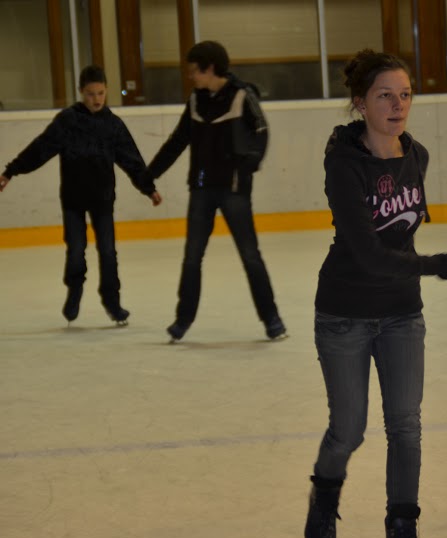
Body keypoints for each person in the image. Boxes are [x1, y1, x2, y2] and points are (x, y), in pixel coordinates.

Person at [303, 49, 447, 538]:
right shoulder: (343, 164)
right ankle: (325, 493)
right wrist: (437, 265)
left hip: (401, 314)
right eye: (385, 95)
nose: (398, 105)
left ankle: (403, 533)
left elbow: (403, 231)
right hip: (344, 314)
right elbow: (371, 252)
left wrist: (419, 271)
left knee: (406, 428)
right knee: (347, 432)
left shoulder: (415, 154)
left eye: (405, 94)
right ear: (360, 103)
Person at [146, 41, 286, 342]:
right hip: (201, 188)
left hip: (234, 190)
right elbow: (178, 140)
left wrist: (250, 163)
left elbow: (261, 131)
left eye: (194, 71)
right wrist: (149, 175)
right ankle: (182, 321)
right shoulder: (196, 101)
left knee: (250, 255)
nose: (191, 77)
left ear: (209, 69)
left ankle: (272, 320)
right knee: (192, 257)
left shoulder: (241, 95)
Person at [0, 65, 161, 325]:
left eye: (100, 93)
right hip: (73, 200)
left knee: (108, 252)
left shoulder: (112, 125)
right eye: (89, 94)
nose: (96, 99)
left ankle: (112, 302)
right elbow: (40, 148)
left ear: (106, 91)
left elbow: (131, 160)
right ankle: (75, 289)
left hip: (103, 200)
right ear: (80, 92)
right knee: (76, 251)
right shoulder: (68, 121)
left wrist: (149, 188)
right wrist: (11, 171)